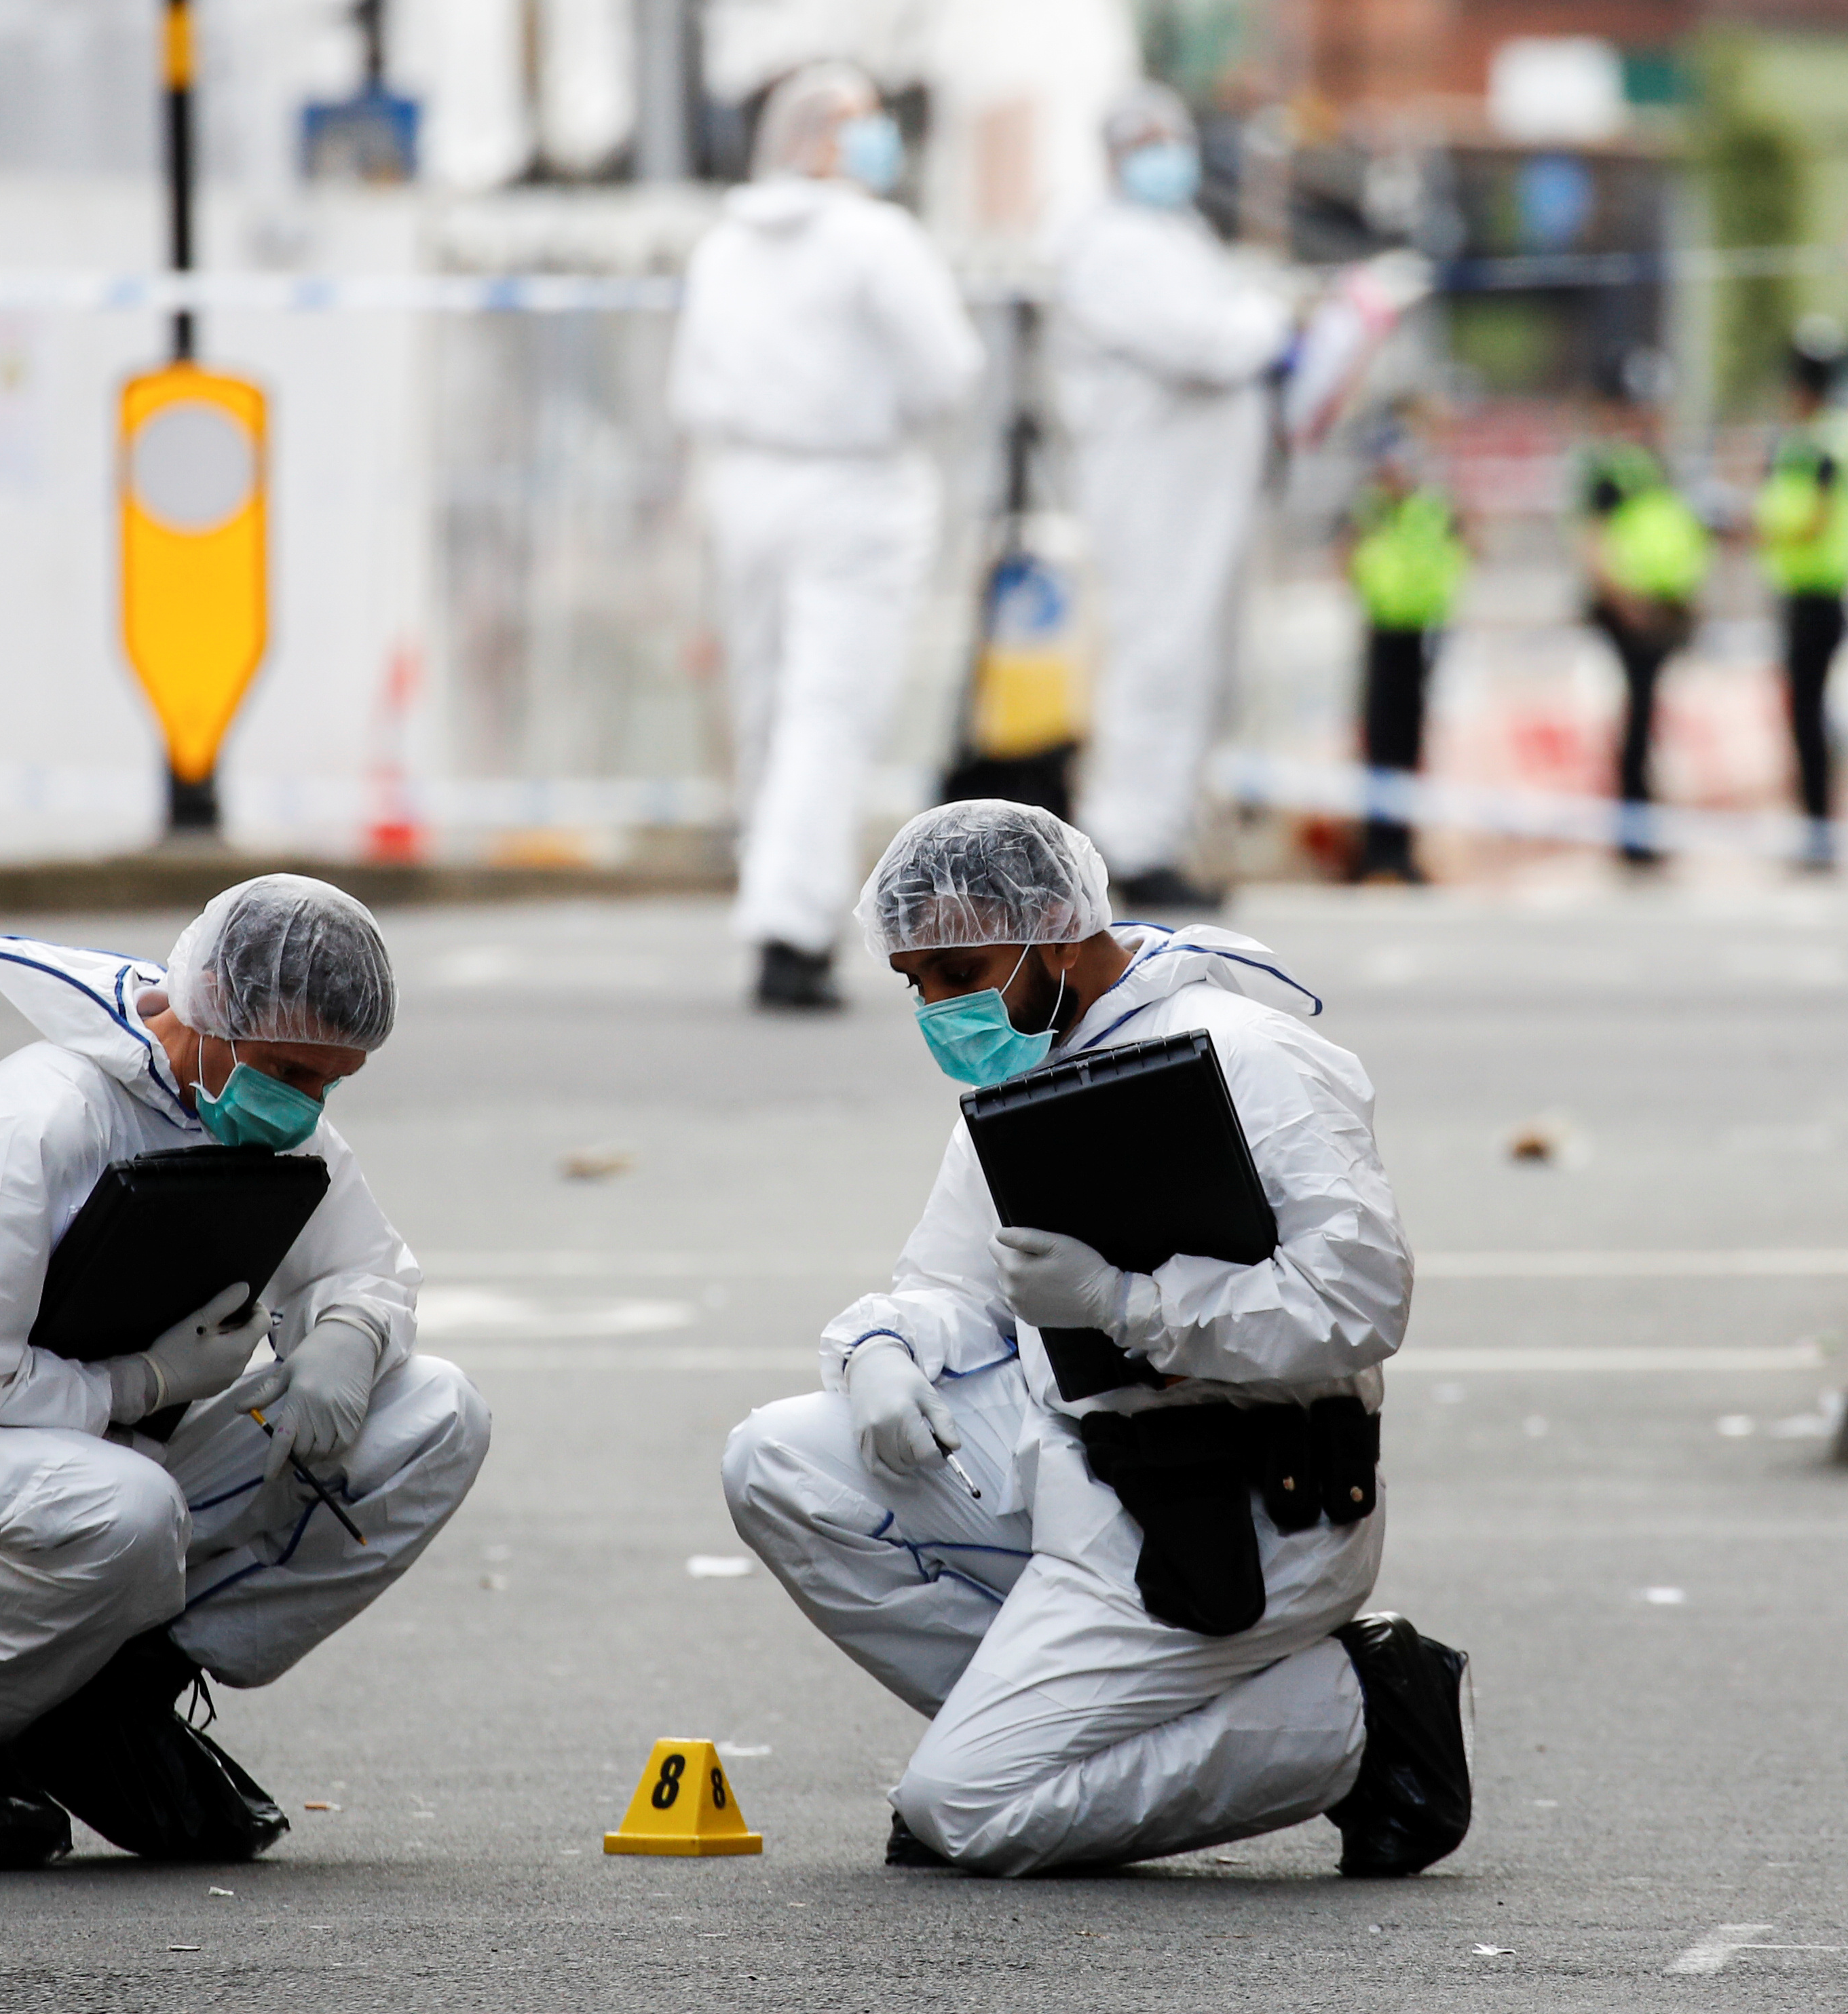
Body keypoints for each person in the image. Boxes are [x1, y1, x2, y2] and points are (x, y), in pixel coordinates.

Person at [720, 799, 1471, 1876]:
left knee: (962, 1813)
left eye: (961, 968)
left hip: (1243, 1509)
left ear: (1057, 930)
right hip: (1076, 1467)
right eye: (914, 982)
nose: (937, 1008)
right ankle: (1037, 1740)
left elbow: (1355, 1302)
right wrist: (878, 1346)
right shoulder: (1027, 1061)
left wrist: (1128, 1303)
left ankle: (1355, 1717)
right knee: (778, 1458)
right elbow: (950, 1285)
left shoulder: (1250, 1056)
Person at [0, 876, 491, 1869]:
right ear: (207, 1010)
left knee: (433, 1412)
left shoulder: (240, 1102)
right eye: (291, 1070)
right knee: (123, 1510)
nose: (305, 1107)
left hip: (110, 1472)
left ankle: (100, 1701)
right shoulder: (13, 1132)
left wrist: (350, 1330)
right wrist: (149, 1382)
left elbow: (366, 1268)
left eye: (331, 1084)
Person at [672, 60, 985, 1011]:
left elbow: (689, 383)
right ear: (821, 138)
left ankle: (773, 890)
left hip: (744, 485)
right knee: (828, 709)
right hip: (856, 487)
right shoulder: (875, 240)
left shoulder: (722, 244)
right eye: (861, 122)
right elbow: (949, 372)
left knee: (769, 706)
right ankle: (791, 924)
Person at [1053, 84, 1294, 914]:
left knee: (1195, 663)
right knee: (1155, 656)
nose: (1165, 155)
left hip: (1196, 490)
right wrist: (1267, 322)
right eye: (1146, 141)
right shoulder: (1111, 245)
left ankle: (1161, 828)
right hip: (1148, 487)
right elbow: (1211, 342)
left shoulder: (1171, 233)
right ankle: (1126, 838)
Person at [1574, 352, 1710, 867]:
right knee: (1635, 722)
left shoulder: (1662, 467)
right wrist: (1624, 600)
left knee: (1649, 721)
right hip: (1630, 612)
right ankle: (1634, 835)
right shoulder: (1613, 469)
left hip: (1662, 607)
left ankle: (1644, 826)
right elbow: (1595, 542)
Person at [1754, 317, 1848, 872]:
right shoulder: (1839, 438)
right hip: (1822, 591)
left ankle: (1818, 833)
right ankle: (1818, 828)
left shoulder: (1821, 444)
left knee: (1809, 719)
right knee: (1813, 716)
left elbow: (1813, 520)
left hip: (1815, 594)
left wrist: (1759, 528)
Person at [1342, 424, 1467, 884]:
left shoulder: (1430, 509)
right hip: (1382, 631)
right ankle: (1376, 851)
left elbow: (1462, 549)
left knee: (1409, 746)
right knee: (1378, 743)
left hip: (1420, 633)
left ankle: (1401, 849)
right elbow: (1346, 558)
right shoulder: (1371, 508)